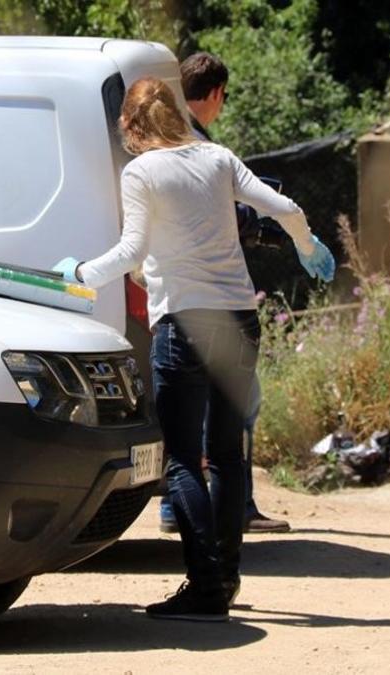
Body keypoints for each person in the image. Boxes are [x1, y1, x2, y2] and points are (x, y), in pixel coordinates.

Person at [52, 78, 334, 621]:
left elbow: (132, 249)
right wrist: (306, 246)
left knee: (183, 460)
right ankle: (225, 578)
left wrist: (82, 274)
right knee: (227, 456)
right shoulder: (219, 158)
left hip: (184, 324)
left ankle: (205, 587)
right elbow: (286, 206)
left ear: (133, 127)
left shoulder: (142, 172)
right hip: (238, 321)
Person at [154, 51, 290, 535]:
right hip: (216, 304)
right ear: (214, 94)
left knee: (187, 436)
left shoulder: (163, 141)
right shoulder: (201, 147)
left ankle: (195, 520)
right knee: (231, 419)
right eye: (224, 96)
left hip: (175, 305)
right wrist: (281, 230)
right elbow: (236, 212)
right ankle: (221, 528)